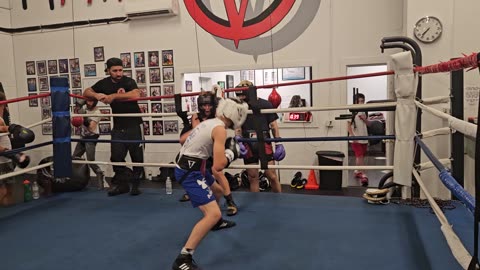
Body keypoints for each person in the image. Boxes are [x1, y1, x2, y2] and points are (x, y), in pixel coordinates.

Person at [172, 97, 248, 270]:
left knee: (218, 191)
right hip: (190, 171)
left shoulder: (210, 122)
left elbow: (183, 140)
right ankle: (183, 258)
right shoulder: (220, 129)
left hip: (195, 166)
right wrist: (231, 154)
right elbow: (218, 166)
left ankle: (217, 222)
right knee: (212, 213)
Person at [83, 57, 144, 196]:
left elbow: (136, 94)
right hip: (118, 126)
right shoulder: (104, 83)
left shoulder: (128, 81)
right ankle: (122, 185)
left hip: (134, 124)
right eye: (115, 70)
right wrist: (96, 95)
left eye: (120, 70)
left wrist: (113, 97)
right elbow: (86, 92)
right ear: (108, 71)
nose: (118, 73)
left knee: (137, 157)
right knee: (116, 157)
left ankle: (135, 185)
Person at [177, 91, 239, 216]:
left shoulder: (217, 117)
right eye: (204, 105)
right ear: (200, 105)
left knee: (217, 172)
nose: (207, 108)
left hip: (212, 149)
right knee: (213, 171)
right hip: (201, 152)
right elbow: (194, 133)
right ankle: (212, 213)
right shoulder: (197, 117)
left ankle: (230, 201)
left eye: (209, 105)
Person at [234, 80, 285, 193]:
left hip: (264, 141)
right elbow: (238, 127)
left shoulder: (265, 104)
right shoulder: (239, 107)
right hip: (248, 142)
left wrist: (278, 143)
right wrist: (239, 140)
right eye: (239, 94)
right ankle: (256, 206)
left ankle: (280, 201)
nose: (241, 97)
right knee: (253, 177)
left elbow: (273, 125)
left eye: (243, 94)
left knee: (271, 175)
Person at [0, 92, 32, 205]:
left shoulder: (1, 118)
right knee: (3, 187)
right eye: (3, 106)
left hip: (7, 158)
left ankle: (7, 208)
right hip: (3, 158)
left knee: (9, 186)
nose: (4, 109)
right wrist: (7, 151)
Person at [71, 99, 104, 190]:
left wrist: (84, 118)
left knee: (90, 160)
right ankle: (81, 179)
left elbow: (91, 128)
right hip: (83, 136)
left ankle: (100, 175)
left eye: (91, 101)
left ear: (95, 102)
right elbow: (77, 119)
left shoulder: (97, 112)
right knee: (75, 157)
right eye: (88, 101)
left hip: (91, 137)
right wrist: (78, 108)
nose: (89, 103)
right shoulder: (84, 108)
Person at [347, 93, 369, 186]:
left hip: (364, 137)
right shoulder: (351, 111)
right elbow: (348, 125)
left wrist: (365, 119)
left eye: (362, 101)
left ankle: (357, 171)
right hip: (355, 138)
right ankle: (364, 174)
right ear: (355, 101)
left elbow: (368, 124)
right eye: (359, 101)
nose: (361, 103)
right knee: (360, 156)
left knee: (359, 156)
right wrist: (353, 136)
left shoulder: (364, 111)